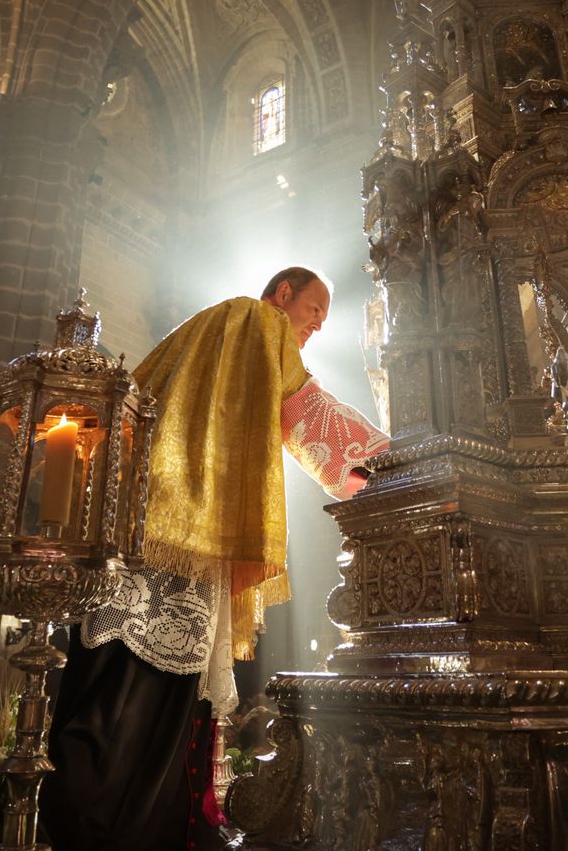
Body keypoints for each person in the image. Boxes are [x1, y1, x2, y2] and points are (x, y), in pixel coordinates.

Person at [41, 267, 388, 851]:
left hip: (133, 536)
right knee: (151, 705)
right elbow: (306, 414)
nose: (316, 325)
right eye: (314, 310)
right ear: (283, 295)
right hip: (187, 540)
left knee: (104, 691)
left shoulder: (196, 330)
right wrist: (393, 463)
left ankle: (76, 828)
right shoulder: (258, 321)